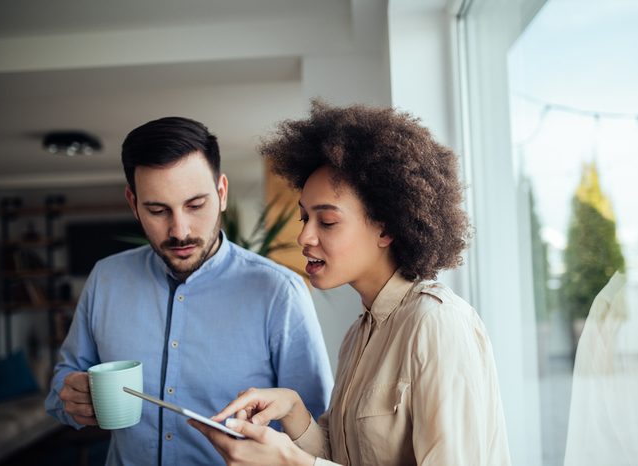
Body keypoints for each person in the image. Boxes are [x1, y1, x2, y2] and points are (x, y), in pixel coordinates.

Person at [190, 102, 511, 465]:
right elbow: (345, 457)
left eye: (326, 222)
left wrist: (291, 463)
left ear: (386, 227)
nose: (304, 237)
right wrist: (293, 410)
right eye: (303, 217)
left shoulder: (436, 323)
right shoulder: (358, 335)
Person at [45, 116, 334, 466]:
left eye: (195, 205)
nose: (180, 230)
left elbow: (316, 432)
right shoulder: (106, 279)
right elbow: (61, 387)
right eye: (157, 210)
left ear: (222, 193)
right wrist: (71, 398)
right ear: (133, 203)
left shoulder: (279, 292)